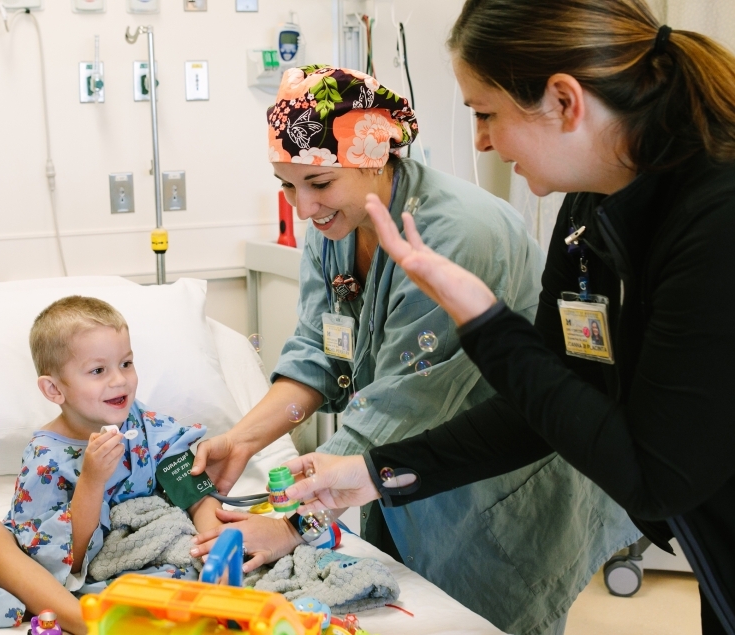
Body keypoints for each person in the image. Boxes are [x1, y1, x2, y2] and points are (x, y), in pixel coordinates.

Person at [280, 1, 735, 633]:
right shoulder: (591, 213)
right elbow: (543, 404)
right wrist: (371, 475)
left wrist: (485, 321)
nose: (481, 141)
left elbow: (657, 477)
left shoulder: (716, 218)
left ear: (563, 100)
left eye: (485, 113)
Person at [189, 65, 637, 635]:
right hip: (398, 468)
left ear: (375, 156)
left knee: (492, 615)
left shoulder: (456, 234)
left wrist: (293, 525)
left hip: (496, 476)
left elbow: (405, 399)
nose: (303, 208)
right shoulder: (334, 228)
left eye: (319, 183)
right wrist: (244, 439)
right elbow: (319, 353)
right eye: (287, 185)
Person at [0, 296, 221, 633]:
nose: (120, 380)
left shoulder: (142, 422)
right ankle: (83, 621)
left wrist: (213, 546)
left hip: (132, 555)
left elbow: (191, 487)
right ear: (54, 389)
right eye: (98, 370)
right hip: (66, 568)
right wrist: (91, 481)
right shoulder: (46, 458)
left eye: (126, 363)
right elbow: (65, 557)